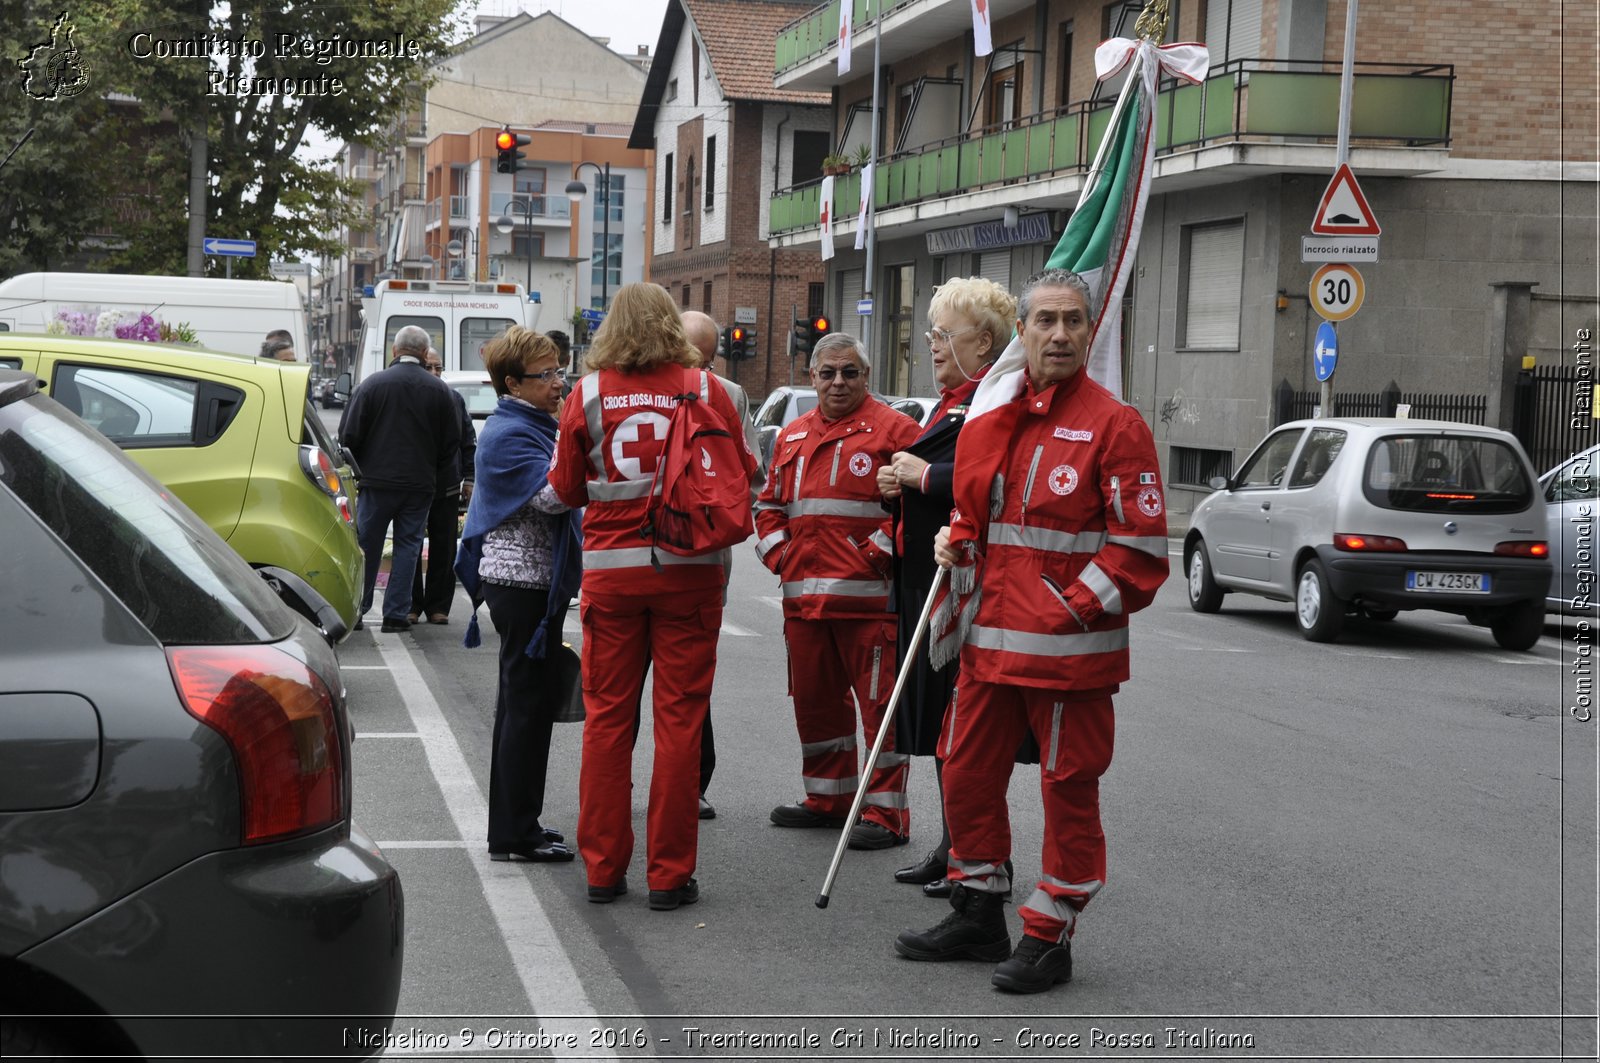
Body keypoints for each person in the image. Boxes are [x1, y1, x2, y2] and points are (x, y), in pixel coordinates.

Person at [894, 269, 1169, 994]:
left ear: (1088, 332)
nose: (1058, 333)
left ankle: (1051, 932)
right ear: (1021, 333)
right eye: (1044, 320)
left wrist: (1069, 606)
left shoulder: (1117, 424)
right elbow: (980, 517)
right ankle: (979, 908)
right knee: (964, 770)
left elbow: (1139, 549)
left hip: (1068, 658)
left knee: (1067, 791)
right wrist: (954, 543)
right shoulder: (998, 416)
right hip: (989, 645)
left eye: (1072, 321)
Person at [550, 283, 754, 911]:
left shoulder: (585, 394)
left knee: (608, 722)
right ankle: (669, 876)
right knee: (679, 721)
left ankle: (603, 870)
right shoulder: (709, 390)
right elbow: (744, 472)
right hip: (690, 572)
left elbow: (566, 489)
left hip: (612, 576)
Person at [874, 277, 1020, 897]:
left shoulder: (993, 402)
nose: (931, 343)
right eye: (931, 331)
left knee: (961, 727)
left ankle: (976, 852)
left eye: (943, 333)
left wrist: (923, 475)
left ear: (982, 342)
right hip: (920, 576)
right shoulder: (946, 403)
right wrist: (899, 485)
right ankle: (952, 842)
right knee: (936, 721)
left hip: (959, 582)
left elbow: (995, 476)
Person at [754, 333, 921, 850]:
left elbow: (916, 514)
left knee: (880, 714)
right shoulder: (792, 435)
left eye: (849, 372)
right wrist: (781, 556)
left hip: (870, 606)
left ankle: (885, 816)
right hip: (804, 606)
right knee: (816, 705)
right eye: (828, 373)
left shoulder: (898, 430)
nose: (838, 382)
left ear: (866, 376)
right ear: (812, 377)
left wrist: (875, 554)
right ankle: (829, 800)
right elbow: (768, 507)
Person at [454, 327, 579, 863]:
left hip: (530, 584)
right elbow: (553, 497)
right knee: (525, 712)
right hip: (519, 585)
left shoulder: (533, 424)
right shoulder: (510, 432)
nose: (558, 382)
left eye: (559, 371)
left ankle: (520, 824)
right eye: (546, 375)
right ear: (512, 383)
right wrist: (584, 448)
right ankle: (512, 835)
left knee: (525, 708)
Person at [675, 309, 766, 822]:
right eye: (693, 358)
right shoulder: (721, 393)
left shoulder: (728, 394)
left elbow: (750, 478)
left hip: (686, 560)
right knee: (679, 686)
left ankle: (690, 783)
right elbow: (750, 481)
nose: (699, 371)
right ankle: (682, 786)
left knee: (685, 685)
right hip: (691, 562)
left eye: (707, 361)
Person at [338, 324, 461, 632]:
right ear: (423, 353)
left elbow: (348, 435)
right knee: (409, 546)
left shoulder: (372, 385)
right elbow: (451, 444)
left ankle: (359, 609)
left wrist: (364, 466)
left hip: (376, 483)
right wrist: (431, 469)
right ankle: (396, 614)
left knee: (368, 545)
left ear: (395, 351)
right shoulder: (440, 392)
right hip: (419, 485)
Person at [410, 347, 476, 624]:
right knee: (410, 546)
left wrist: (469, 478)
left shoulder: (454, 399)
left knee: (444, 547)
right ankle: (411, 604)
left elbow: (468, 442)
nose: (435, 373)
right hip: (413, 486)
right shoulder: (409, 399)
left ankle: (438, 606)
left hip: (447, 485)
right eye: (429, 368)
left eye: (439, 368)